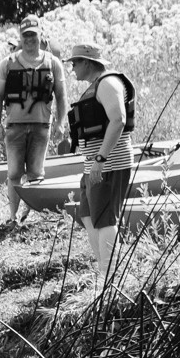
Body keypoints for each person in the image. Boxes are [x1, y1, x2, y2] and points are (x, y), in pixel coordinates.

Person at [64, 43, 135, 292]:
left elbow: (118, 120)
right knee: (87, 215)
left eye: (75, 62)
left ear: (87, 62)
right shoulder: (96, 85)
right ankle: (103, 271)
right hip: (94, 163)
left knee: (105, 219)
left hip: (109, 162)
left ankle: (109, 278)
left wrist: (100, 160)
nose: (72, 67)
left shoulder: (107, 84)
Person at [0, 19, 66, 223]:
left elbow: (61, 96)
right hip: (14, 127)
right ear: (20, 37)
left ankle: (30, 214)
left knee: (36, 173)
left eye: (33, 34)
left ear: (40, 35)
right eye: (25, 35)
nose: (29, 39)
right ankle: (13, 217)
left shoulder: (53, 63)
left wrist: (61, 123)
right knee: (14, 173)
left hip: (41, 126)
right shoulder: (7, 64)